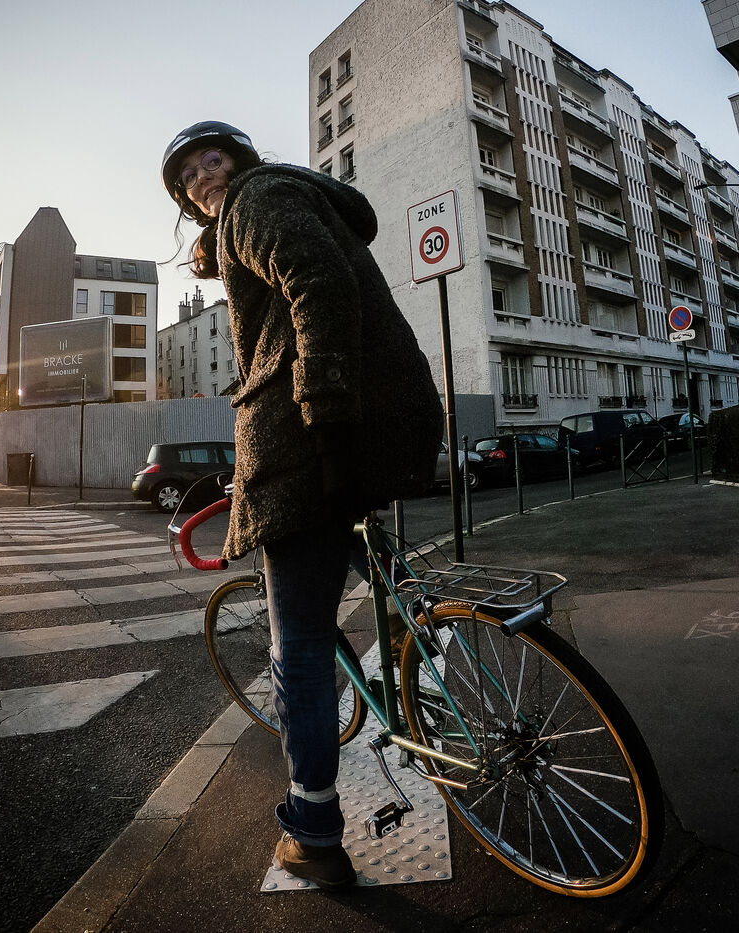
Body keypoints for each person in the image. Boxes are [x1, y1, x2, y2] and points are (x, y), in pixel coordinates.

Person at [161, 121, 443, 889]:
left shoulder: (254, 199)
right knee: (365, 552)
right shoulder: (290, 198)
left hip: (310, 434)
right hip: (382, 412)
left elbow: (317, 283)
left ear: (239, 161)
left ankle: (314, 833)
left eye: (211, 159)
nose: (202, 177)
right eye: (188, 177)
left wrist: (322, 417)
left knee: (300, 650)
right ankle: (427, 659)